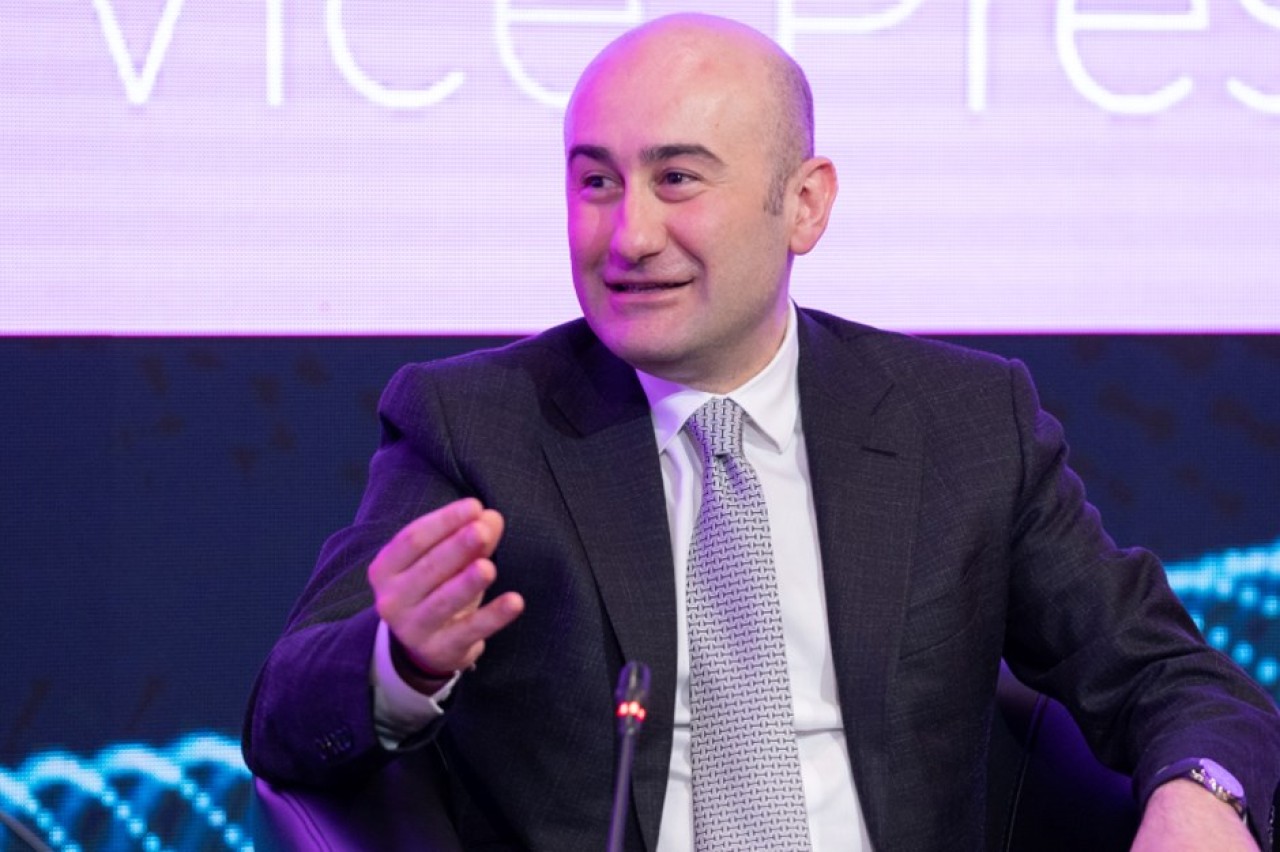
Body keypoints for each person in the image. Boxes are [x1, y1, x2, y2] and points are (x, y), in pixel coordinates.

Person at [243, 13, 1280, 850]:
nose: (628, 234)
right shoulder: (476, 426)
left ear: (804, 205)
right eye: (595, 181)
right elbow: (282, 717)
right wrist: (402, 661)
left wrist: (1200, 797)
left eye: (677, 179)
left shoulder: (962, 424)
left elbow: (1165, 674)